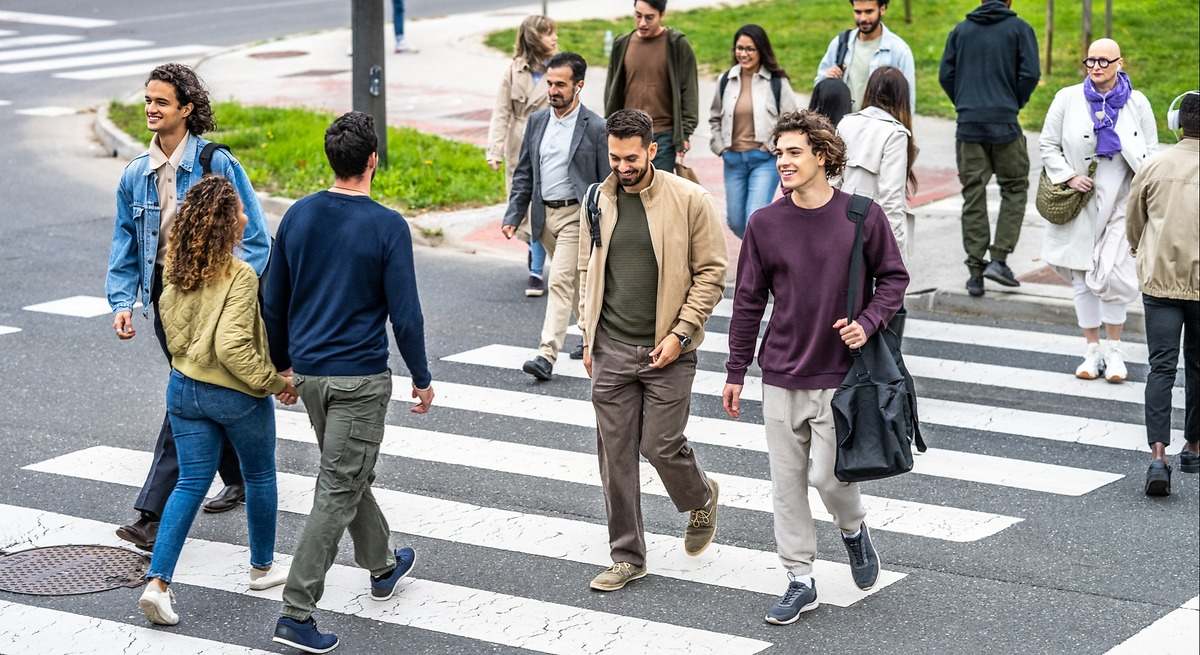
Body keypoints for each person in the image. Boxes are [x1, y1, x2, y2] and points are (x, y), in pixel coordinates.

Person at [722, 110, 908, 625]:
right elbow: (748, 302)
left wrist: (868, 322)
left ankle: (853, 530)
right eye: (778, 152)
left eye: (793, 152)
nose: (782, 161)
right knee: (786, 486)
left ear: (822, 156)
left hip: (840, 377)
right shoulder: (764, 223)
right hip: (781, 371)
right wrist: (737, 370)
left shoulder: (861, 216)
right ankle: (799, 579)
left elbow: (894, 277)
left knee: (829, 479)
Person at [263, 112, 435, 654]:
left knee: (347, 473)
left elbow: (272, 300)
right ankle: (296, 611)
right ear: (372, 161)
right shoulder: (387, 226)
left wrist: (284, 367)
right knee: (337, 488)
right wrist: (422, 378)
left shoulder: (298, 216)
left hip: (312, 377)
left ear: (330, 159)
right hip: (359, 378)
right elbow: (405, 316)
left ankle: (382, 565)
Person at [106, 63, 271, 552]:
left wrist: (228, 290)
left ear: (187, 109)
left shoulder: (217, 164)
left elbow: (256, 240)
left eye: (161, 102)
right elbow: (125, 241)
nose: (151, 110)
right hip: (168, 296)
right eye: (148, 101)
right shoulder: (137, 175)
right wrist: (123, 301)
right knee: (200, 386)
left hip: (216, 295)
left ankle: (150, 514)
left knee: (189, 387)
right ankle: (239, 475)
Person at [576, 109, 726, 592]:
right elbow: (588, 269)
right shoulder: (597, 199)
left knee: (659, 445)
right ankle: (627, 556)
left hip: (669, 350)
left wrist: (680, 333)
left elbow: (711, 273)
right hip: (612, 348)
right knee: (614, 458)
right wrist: (587, 334)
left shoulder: (690, 200)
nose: (623, 166)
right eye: (615, 157)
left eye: (632, 157)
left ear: (652, 150)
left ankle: (700, 495)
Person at [136, 176, 295, 627]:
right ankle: (262, 568)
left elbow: (171, 328)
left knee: (189, 483)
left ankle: (158, 584)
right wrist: (271, 382)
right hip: (233, 395)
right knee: (261, 475)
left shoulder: (177, 270)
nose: (248, 216)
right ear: (228, 224)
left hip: (183, 389)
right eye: (241, 211)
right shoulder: (239, 274)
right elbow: (231, 347)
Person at [1039, 39, 1156, 384]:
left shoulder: (1137, 103)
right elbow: (1048, 144)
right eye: (1091, 61)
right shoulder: (1067, 98)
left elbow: (1150, 148)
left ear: (1120, 62)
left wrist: (1143, 187)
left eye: (1104, 61)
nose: (1097, 67)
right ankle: (1092, 349)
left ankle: (1115, 349)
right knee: (1082, 276)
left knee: (1114, 276)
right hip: (1081, 202)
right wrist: (1069, 176)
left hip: (1122, 203)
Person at [501, 52, 609, 379]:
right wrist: (513, 213)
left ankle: (546, 354)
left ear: (579, 86)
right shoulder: (537, 121)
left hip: (576, 214)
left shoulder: (595, 127)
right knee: (576, 283)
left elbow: (605, 182)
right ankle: (591, 334)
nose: (553, 90)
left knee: (561, 280)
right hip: (543, 216)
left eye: (560, 84)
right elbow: (524, 173)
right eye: (549, 83)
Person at [1125, 90, 1200, 496]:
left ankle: (1158, 456)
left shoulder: (1154, 164)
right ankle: (1194, 446)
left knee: (1161, 368)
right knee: (1199, 366)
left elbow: (1134, 221)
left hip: (1160, 281)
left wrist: (1142, 251)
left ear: (1177, 124)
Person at [939, 0, 1040, 297]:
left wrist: (964, 102)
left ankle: (975, 273)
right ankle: (999, 258)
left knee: (973, 193)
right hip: (1005, 123)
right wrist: (1013, 102)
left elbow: (946, 75)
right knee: (1014, 187)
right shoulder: (1020, 30)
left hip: (969, 124)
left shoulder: (961, 31)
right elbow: (1030, 74)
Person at [487, 15, 558, 298]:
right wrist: (494, 150)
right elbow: (501, 112)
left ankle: (536, 271)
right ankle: (534, 252)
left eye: (554, 33)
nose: (553, 38)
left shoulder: (560, 68)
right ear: (533, 39)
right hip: (517, 148)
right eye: (547, 34)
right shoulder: (514, 70)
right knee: (521, 207)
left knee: (540, 207)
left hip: (548, 144)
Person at [709, 24, 800, 238]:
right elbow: (714, 117)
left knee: (754, 218)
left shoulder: (776, 82)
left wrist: (773, 148)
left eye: (750, 49)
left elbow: (792, 121)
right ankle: (766, 251)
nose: (743, 54)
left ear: (761, 50)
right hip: (733, 160)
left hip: (764, 160)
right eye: (739, 48)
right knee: (735, 221)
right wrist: (720, 147)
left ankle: (755, 268)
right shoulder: (726, 80)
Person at [604, 0, 700, 175]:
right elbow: (611, 91)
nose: (642, 23)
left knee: (657, 195)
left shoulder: (677, 45)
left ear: (662, 15)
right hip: (627, 135)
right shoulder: (622, 44)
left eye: (649, 18)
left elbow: (689, 92)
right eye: (638, 16)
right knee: (629, 193)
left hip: (663, 136)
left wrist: (684, 133)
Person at [837, 66, 918, 259]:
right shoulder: (895, 133)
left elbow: (832, 181)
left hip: (840, 226)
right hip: (874, 230)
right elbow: (891, 198)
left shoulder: (845, 123)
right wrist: (895, 255)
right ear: (902, 98)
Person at [815, 0, 915, 114]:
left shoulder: (899, 51)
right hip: (841, 126)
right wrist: (828, 78)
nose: (863, 18)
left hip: (877, 129)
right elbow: (818, 86)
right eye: (858, 12)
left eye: (869, 12)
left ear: (882, 9)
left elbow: (907, 103)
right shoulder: (840, 43)